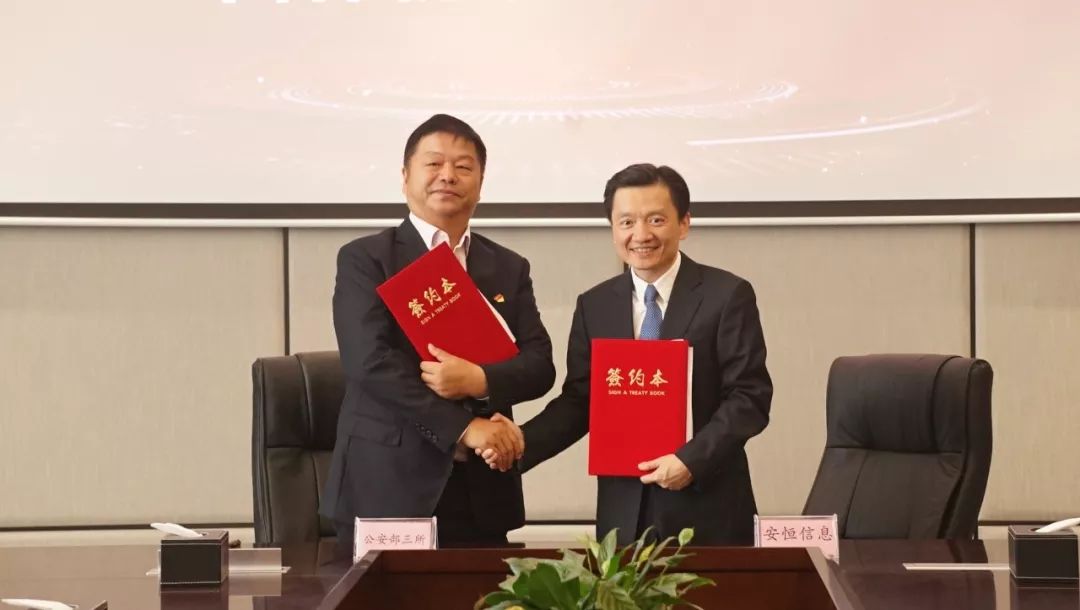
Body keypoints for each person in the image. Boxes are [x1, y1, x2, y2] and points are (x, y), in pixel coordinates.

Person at [488, 163, 772, 545]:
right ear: (612, 229)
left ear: (684, 224)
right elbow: (581, 401)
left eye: (656, 220)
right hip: (623, 512)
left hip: (707, 508)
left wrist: (691, 460)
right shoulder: (595, 305)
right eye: (626, 222)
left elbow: (749, 397)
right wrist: (520, 443)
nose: (641, 235)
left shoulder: (727, 295)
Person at [322, 114, 556, 553]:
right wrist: (465, 426)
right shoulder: (366, 259)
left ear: (480, 183)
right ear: (405, 176)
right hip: (389, 485)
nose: (448, 175)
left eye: (463, 167)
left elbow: (540, 365)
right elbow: (369, 363)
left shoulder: (507, 266)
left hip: (482, 490)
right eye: (433, 164)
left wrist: (480, 380)